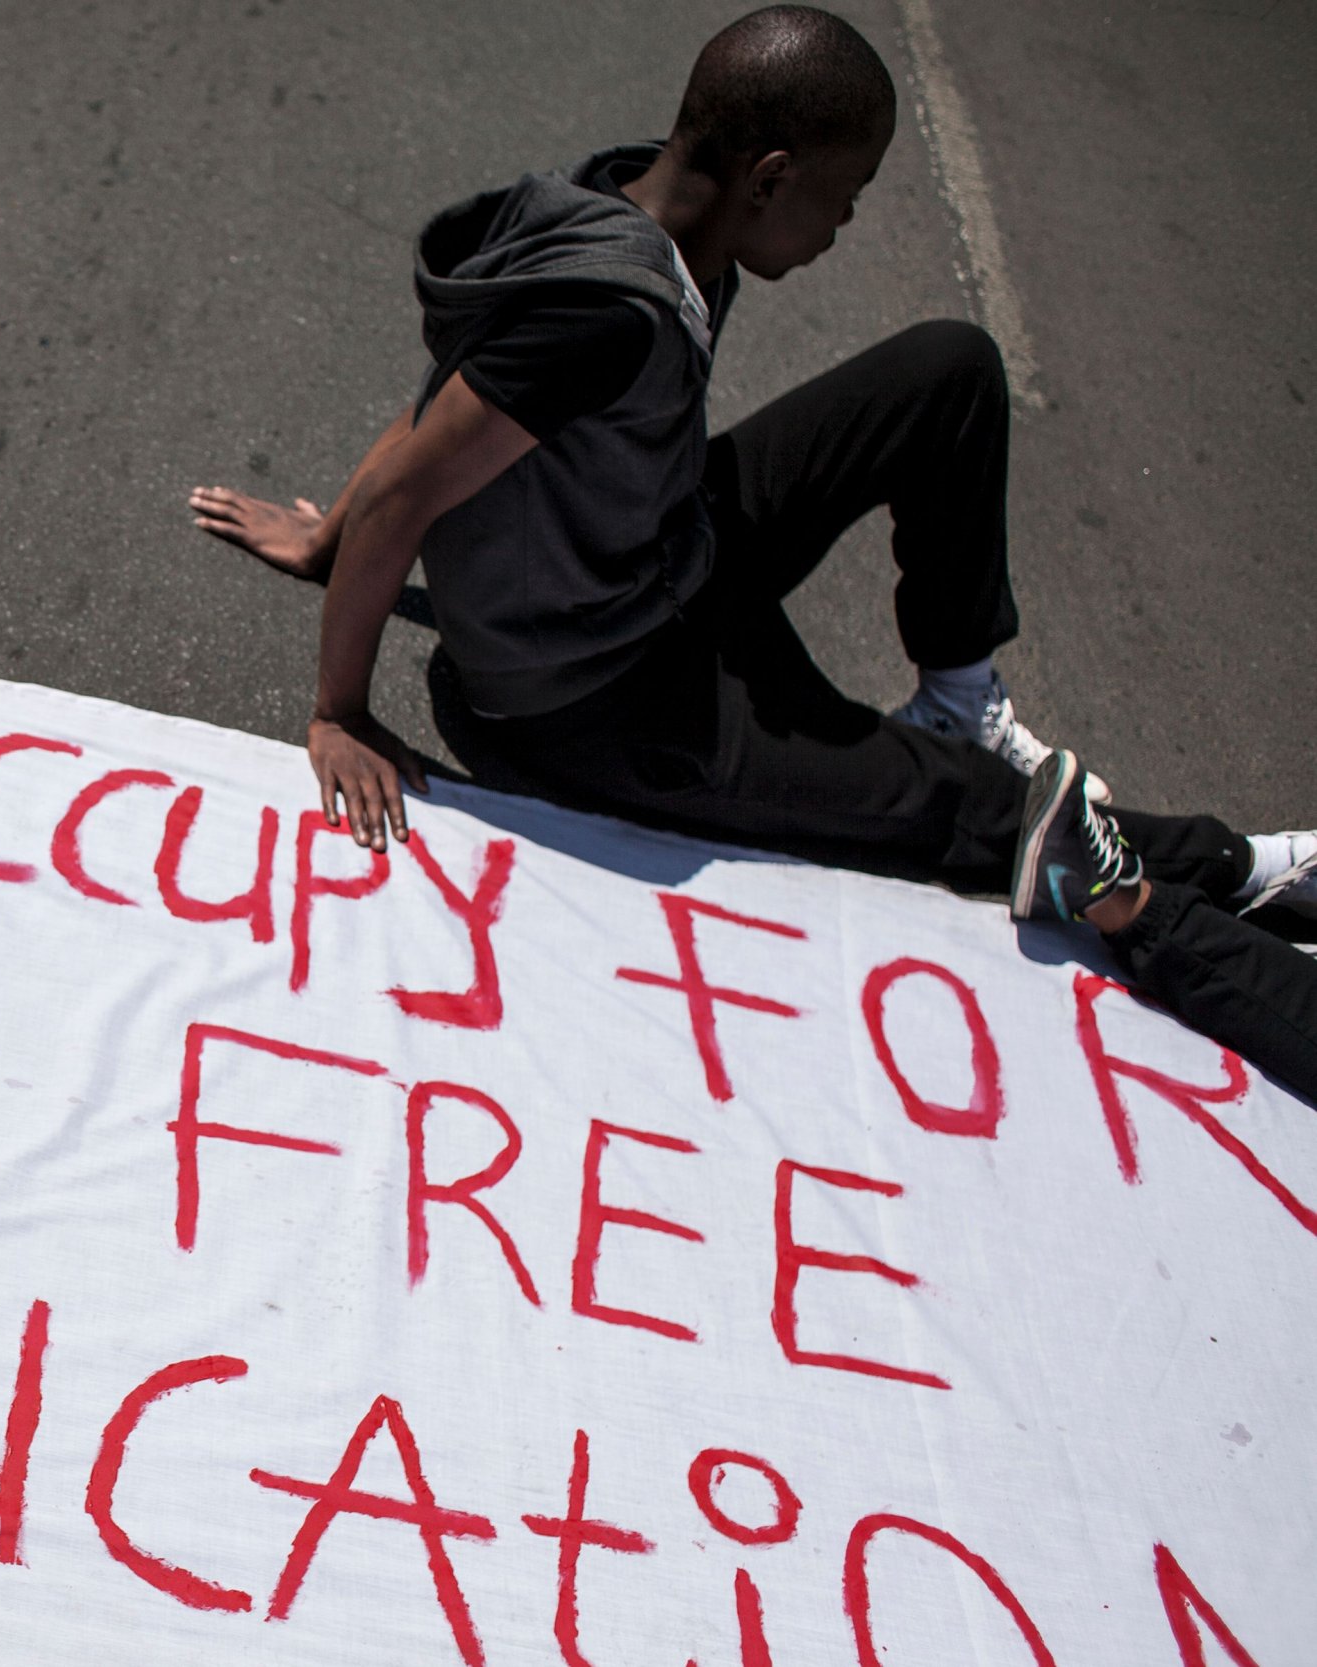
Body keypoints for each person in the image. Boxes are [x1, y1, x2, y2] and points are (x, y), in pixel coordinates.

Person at [187, 5, 1317, 1099]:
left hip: (659, 552)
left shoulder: (646, 212)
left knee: (947, 373)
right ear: (770, 178)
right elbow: (411, 481)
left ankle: (957, 695)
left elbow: (445, 409)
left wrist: (328, 539)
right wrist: (338, 705)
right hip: (595, 699)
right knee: (968, 806)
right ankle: (1239, 868)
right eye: (846, 196)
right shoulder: (609, 312)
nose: (845, 225)